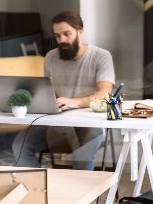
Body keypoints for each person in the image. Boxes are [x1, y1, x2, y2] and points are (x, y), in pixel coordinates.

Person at [12, 11, 114, 170]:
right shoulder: (51, 57)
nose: (62, 40)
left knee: (83, 152)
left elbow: (104, 94)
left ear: (80, 31)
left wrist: (75, 102)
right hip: (57, 120)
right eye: (57, 36)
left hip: (90, 121)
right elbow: (47, 92)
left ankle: (80, 193)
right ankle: (43, 186)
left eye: (67, 34)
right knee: (20, 145)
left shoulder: (101, 56)